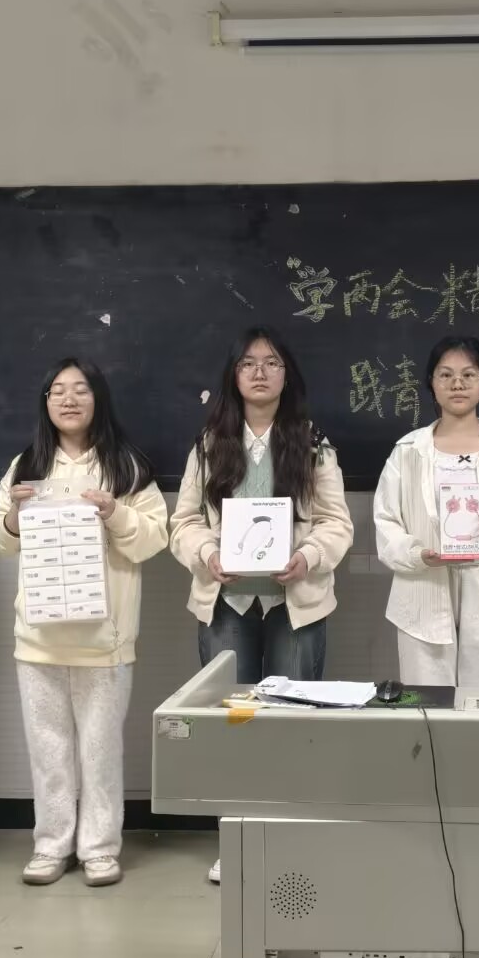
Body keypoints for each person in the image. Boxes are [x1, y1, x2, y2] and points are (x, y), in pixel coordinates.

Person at [169, 325, 354, 884]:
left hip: (295, 605)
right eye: (248, 363)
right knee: (235, 723)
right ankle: (239, 839)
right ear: (234, 375)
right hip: (227, 602)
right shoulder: (208, 445)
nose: (259, 372)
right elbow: (183, 522)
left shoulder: (313, 443)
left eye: (271, 362)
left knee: (293, 723)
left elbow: (336, 522)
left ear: (286, 375)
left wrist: (308, 557)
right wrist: (206, 553)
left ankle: (289, 836)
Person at [0, 358, 168, 888]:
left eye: (81, 390)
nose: (69, 400)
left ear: (98, 399)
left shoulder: (126, 466)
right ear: (45, 402)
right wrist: (14, 518)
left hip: (104, 639)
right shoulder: (26, 465)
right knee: (48, 750)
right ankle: (50, 845)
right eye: (58, 391)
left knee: (100, 749)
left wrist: (115, 512)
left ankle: (100, 849)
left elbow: (154, 539)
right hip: (39, 637)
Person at [373, 336, 479, 688]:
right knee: (427, 704)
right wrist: (418, 554)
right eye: (446, 374)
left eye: (468, 374)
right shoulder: (407, 451)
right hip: (424, 587)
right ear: (432, 383)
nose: (457, 384)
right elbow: (386, 522)